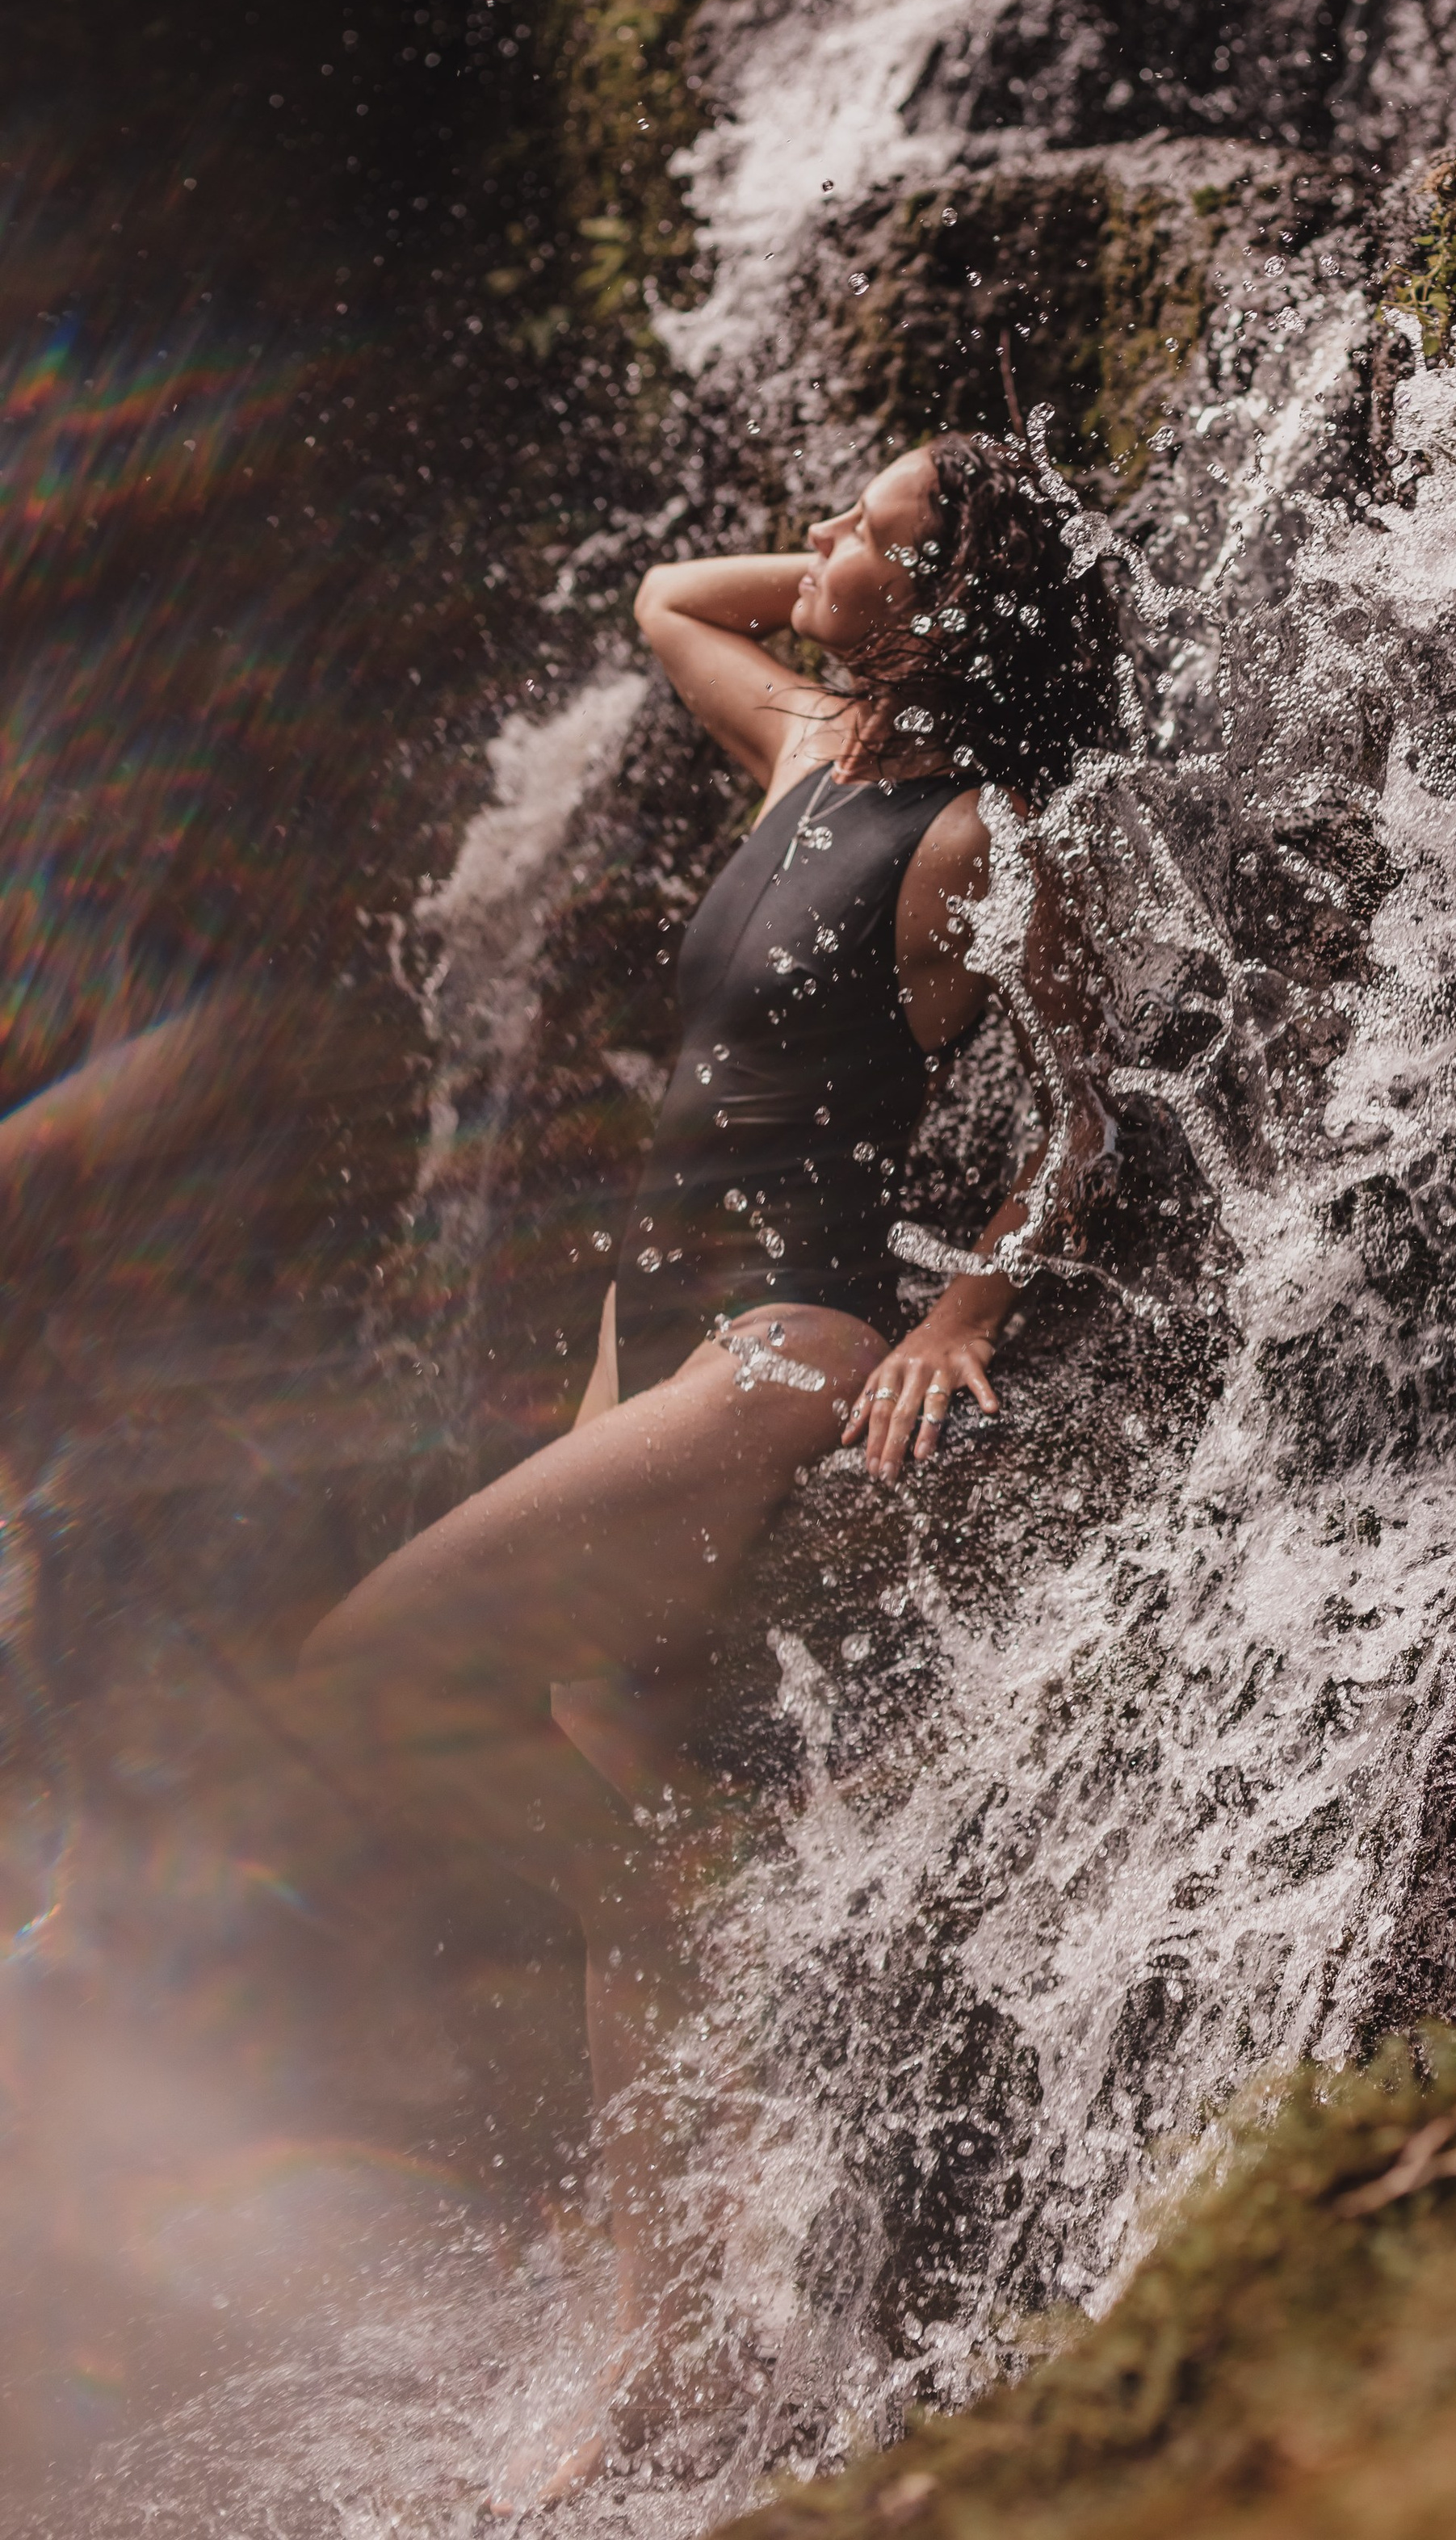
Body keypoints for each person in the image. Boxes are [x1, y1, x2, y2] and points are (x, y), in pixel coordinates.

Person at [296, 430, 1121, 2504]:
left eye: (871, 533)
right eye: (832, 516)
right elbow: (674, 594)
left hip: (779, 1334)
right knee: (632, 1828)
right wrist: (874, 574)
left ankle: (705, 2292)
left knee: (367, 1672)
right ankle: (671, 2356)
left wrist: (960, 1320)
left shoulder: (974, 838)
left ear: (951, 612)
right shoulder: (809, 743)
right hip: (637, 1323)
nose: (820, 542)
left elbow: (1085, 1116)